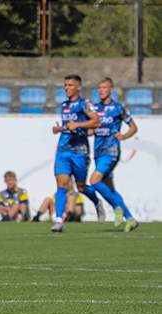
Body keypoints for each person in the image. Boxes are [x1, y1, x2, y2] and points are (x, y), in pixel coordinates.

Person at [85, 77, 139, 232]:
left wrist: (125, 135)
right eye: (99, 87)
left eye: (104, 87)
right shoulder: (94, 109)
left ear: (111, 90)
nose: (101, 90)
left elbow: (133, 127)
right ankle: (130, 219)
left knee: (94, 180)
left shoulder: (118, 108)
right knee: (110, 189)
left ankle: (117, 207)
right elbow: (90, 131)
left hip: (111, 151)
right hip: (98, 152)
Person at [50, 74, 101, 233]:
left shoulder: (85, 104)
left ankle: (97, 202)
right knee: (61, 185)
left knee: (81, 186)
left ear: (78, 87)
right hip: (64, 151)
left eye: (70, 85)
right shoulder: (64, 105)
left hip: (80, 152)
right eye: (65, 85)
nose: (67, 88)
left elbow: (97, 122)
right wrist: (59, 129)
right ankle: (59, 220)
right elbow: (69, 127)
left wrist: (77, 124)